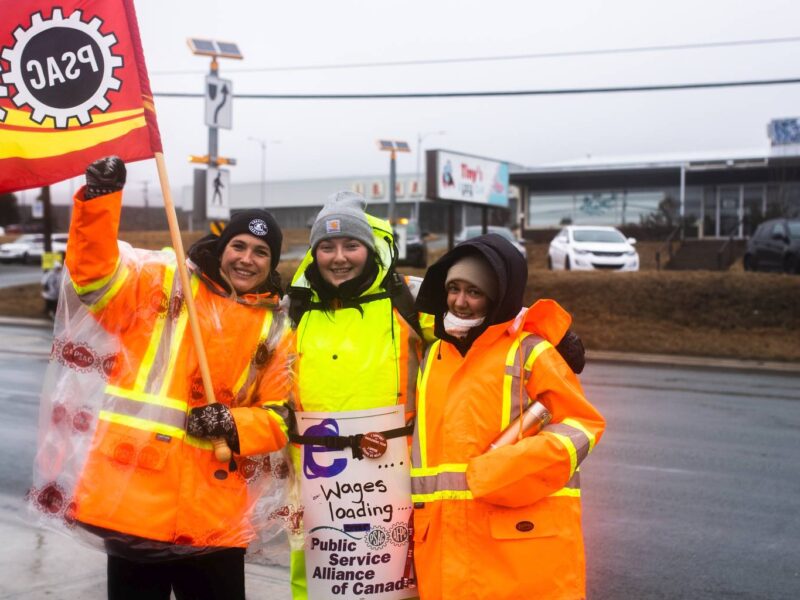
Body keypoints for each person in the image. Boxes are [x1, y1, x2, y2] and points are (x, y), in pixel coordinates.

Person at [30, 156, 294, 600]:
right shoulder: (163, 280)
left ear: (272, 263)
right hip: (133, 498)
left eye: (261, 252)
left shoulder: (276, 328)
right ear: (222, 247)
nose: (247, 259)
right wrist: (99, 200)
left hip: (214, 515)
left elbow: (281, 417)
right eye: (239, 246)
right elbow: (94, 280)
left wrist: (233, 426)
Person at [410, 233, 606, 599]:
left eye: (474, 292)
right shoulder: (434, 355)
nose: (460, 302)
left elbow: (583, 426)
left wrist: (509, 470)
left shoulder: (531, 351)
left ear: (498, 297)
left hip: (515, 543)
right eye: (453, 289)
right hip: (443, 544)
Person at [284, 191, 424, 599]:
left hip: (390, 476)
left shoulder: (406, 297)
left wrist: (552, 332)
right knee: (316, 577)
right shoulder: (294, 306)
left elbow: (474, 315)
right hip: (315, 477)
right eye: (326, 247)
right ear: (314, 254)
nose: (339, 257)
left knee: (392, 578)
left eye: (351, 245)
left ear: (369, 247)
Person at [41, 252, 64, 318]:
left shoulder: (59, 274)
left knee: (55, 304)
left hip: (56, 293)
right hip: (50, 293)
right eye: (57, 268)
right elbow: (45, 282)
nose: (58, 269)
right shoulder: (50, 274)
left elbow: (60, 283)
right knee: (51, 304)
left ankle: (53, 314)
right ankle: (50, 313)